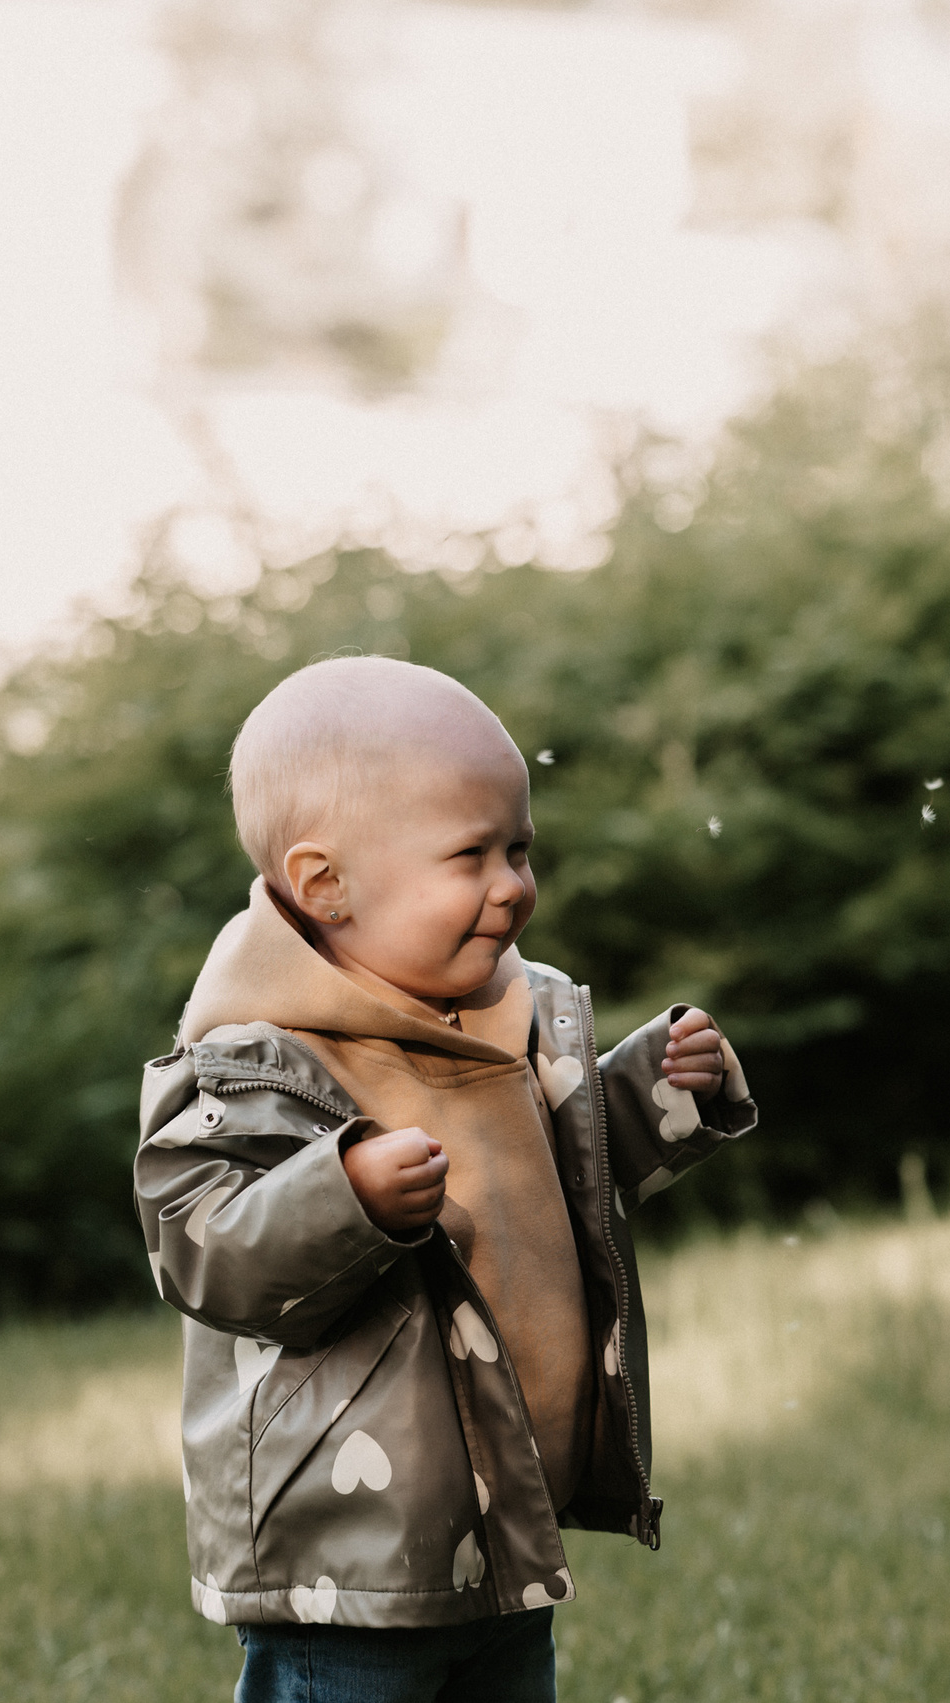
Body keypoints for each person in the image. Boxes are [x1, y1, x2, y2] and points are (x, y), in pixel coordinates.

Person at [136, 656, 759, 1702]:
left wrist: (656, 1091)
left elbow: (553, 1182)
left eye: (519, 847)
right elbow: (205, 1248)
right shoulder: (251, 1059)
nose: (513, 883)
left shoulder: (514, 1017)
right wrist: (345, 1196)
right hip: (352, 1550)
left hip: (501, 1517)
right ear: (326, 883)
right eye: (471, 854)